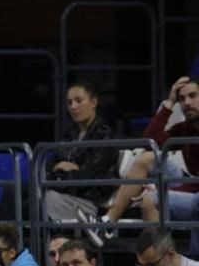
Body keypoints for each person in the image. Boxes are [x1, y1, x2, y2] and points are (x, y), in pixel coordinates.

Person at [81, 76, 199, 250]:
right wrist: (169, 102)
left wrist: (161, 188)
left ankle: (165, 262)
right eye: (181, 99)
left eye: (193, 96)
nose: (187, 102)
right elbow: (150, 140)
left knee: (150, 200)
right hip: (192, 185)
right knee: (147, 158)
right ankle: (107, 223)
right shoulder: (186, 128)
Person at [43, 82, 119, 222]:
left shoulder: (104, 136)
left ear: (93, 102)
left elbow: (86, 177)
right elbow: (49, 167)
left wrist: (58, 174)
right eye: (69, 102)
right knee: (15, 191)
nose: (73, 107)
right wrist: (57, 167)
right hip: (62, 191)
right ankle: (0, 238)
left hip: (87, 200)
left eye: (78, 101)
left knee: (37, 199)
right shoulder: (69, 134)